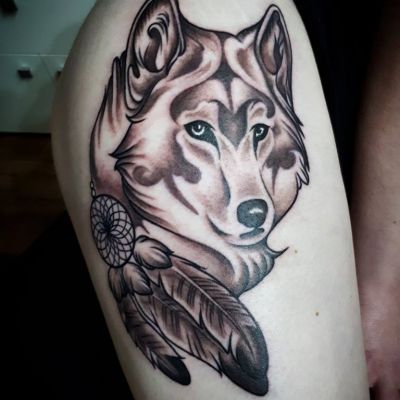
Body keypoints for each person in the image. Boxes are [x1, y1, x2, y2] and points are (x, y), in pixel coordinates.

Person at [51, 0, 399, 398]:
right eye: (200, 131)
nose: (253, 197)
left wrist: (381, 277)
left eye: (258, 132)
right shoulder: (220, 8)